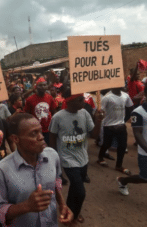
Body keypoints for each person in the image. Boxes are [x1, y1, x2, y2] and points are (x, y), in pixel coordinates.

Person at [0, 113, 74, 226]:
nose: (41, 137)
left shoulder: (52, 156)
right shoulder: (2, 169)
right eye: (34, 133)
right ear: (15, 138)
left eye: (40, 131)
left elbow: (56, 181)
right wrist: (26, 206)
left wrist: (63, 205)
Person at [49, 91, 104, 226]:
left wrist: (99, 120)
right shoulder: (58, 117)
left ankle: (69, 210)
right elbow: (52, 138)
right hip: (68, 160)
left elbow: (94, 136)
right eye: (80, 100)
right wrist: (54, 159)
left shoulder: (85, 114)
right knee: (80, 192)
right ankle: (75, 215)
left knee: (75, 188)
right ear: (70, 102)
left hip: (83, 159)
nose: (83, 102)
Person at [117, 85, 147, 195]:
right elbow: (137, 134)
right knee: (145, 178)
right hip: (145, 153)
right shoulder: (138, 112)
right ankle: (123, 181)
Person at [97, 88, 134, 175]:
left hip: (121, 125)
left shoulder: (126, 96)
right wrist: (100, 114)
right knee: (107, 144)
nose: (123, 85)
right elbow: (101, 111)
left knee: (122, 145)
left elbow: (131, 108)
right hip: (109, 125)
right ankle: (100, 157)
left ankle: (119, 165)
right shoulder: (107, 97)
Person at [24, 77, 57, 145]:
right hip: (36, 129)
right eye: (40, 85)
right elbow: (27, 115)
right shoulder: (30, 99)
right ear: (36, 87)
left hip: (49, 129)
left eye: (44, 85)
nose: (43, 87)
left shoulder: (50, 97)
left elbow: (54, 112)